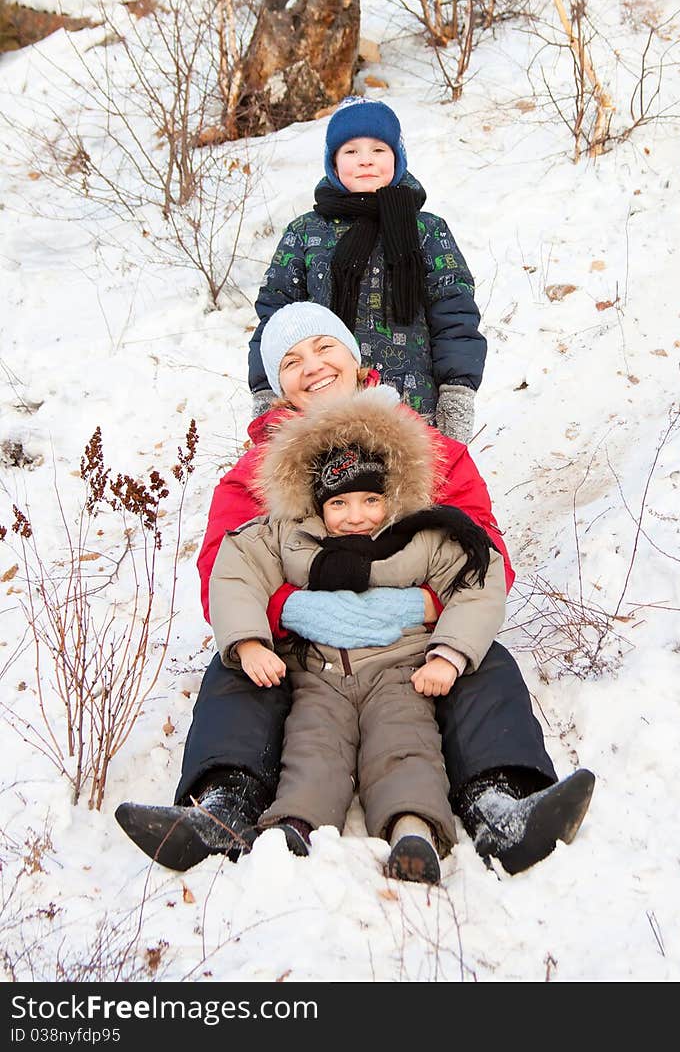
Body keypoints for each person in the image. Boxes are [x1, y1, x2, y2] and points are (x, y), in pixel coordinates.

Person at [115, 302, 595, 875]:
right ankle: (223, 805)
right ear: (278, 385)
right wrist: (293, 609)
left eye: (324, 348)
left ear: (354, 354)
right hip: (305, 650)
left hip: (415, 640)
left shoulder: (433, 449)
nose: (311, 366)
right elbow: (224, 569)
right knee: (238, 667)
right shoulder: (254, 470)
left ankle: (500, 803)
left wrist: (427, 605)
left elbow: (482, 552)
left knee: (483, 659)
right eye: (290, 361)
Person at [209, 385, 508, 884]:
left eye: (371, 499)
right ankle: (297, 826)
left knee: (405, 742)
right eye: (340, 503)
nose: (356, 515)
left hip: (399, 670)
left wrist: (449, 654)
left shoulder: (420, 535)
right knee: (312, 746)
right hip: (318, 674)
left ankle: (411, 829)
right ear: (318, 503)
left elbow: (477, 580)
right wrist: (248, 641)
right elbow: (235, 570)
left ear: (390, 496)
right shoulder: (288, 535)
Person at [247, 96, 484, 442]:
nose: (365, 161)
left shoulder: (427, 231)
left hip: (414, 410)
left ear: (397, 158)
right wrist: (267, 393)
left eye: (378, 150)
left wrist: (457, 390)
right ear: (333, 162)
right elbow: (275, 318)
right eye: (351, 152)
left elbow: (454, 312)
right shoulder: (306, 233)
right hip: (321, 413)